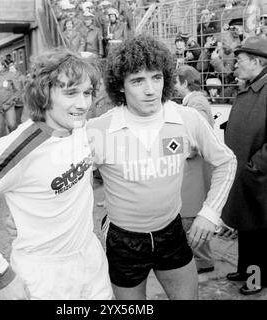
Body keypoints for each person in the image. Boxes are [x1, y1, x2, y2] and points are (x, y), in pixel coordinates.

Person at [0, 49, 112, 300]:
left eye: (87, 92)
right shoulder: (18, 147)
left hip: (91, 261)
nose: (82, 104)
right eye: (70, 93)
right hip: (44, 277)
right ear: (44, 94)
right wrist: (2, 277)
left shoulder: (81, 129)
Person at [87, 35, 236, 300]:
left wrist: (210, 213)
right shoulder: (98, 130)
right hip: (123, 240)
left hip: (172, 233)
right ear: (120, 86)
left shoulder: (187, 118)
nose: (150, 90)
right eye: (137, 80)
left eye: (156, 77)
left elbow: (226, 160)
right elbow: (72, 182)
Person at [221, 36, 267, 295]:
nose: (235, 66)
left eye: (239, 61)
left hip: (258, 177)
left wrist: (254, 166)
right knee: (246, 228)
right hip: (247, 175)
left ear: (256, 61)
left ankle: (255, 280)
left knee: (259, 235)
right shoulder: (253, 86)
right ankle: (244, 269)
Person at [175, 65, 215, 274]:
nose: (174, 85)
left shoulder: (196, 103)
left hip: (195, 169)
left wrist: (185, 151)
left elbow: (199, 136)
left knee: (191, 215)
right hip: (193, 170)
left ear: (184, 82)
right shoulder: (193, 101)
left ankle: (203, 261)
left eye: (176, 81)